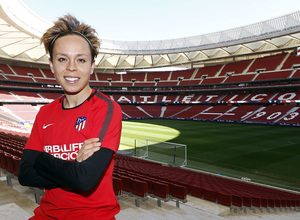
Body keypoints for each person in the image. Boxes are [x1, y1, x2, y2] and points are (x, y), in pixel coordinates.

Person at [18, 14, 122, 220]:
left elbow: (85, 180)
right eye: (62, 59)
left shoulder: (106, 109)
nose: (71, 67)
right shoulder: (45, 113)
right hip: (46, 214)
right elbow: (24, 175)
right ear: (52, 65)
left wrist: (40, 160)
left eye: (81, 60)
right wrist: (73, 167)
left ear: (92, 66)